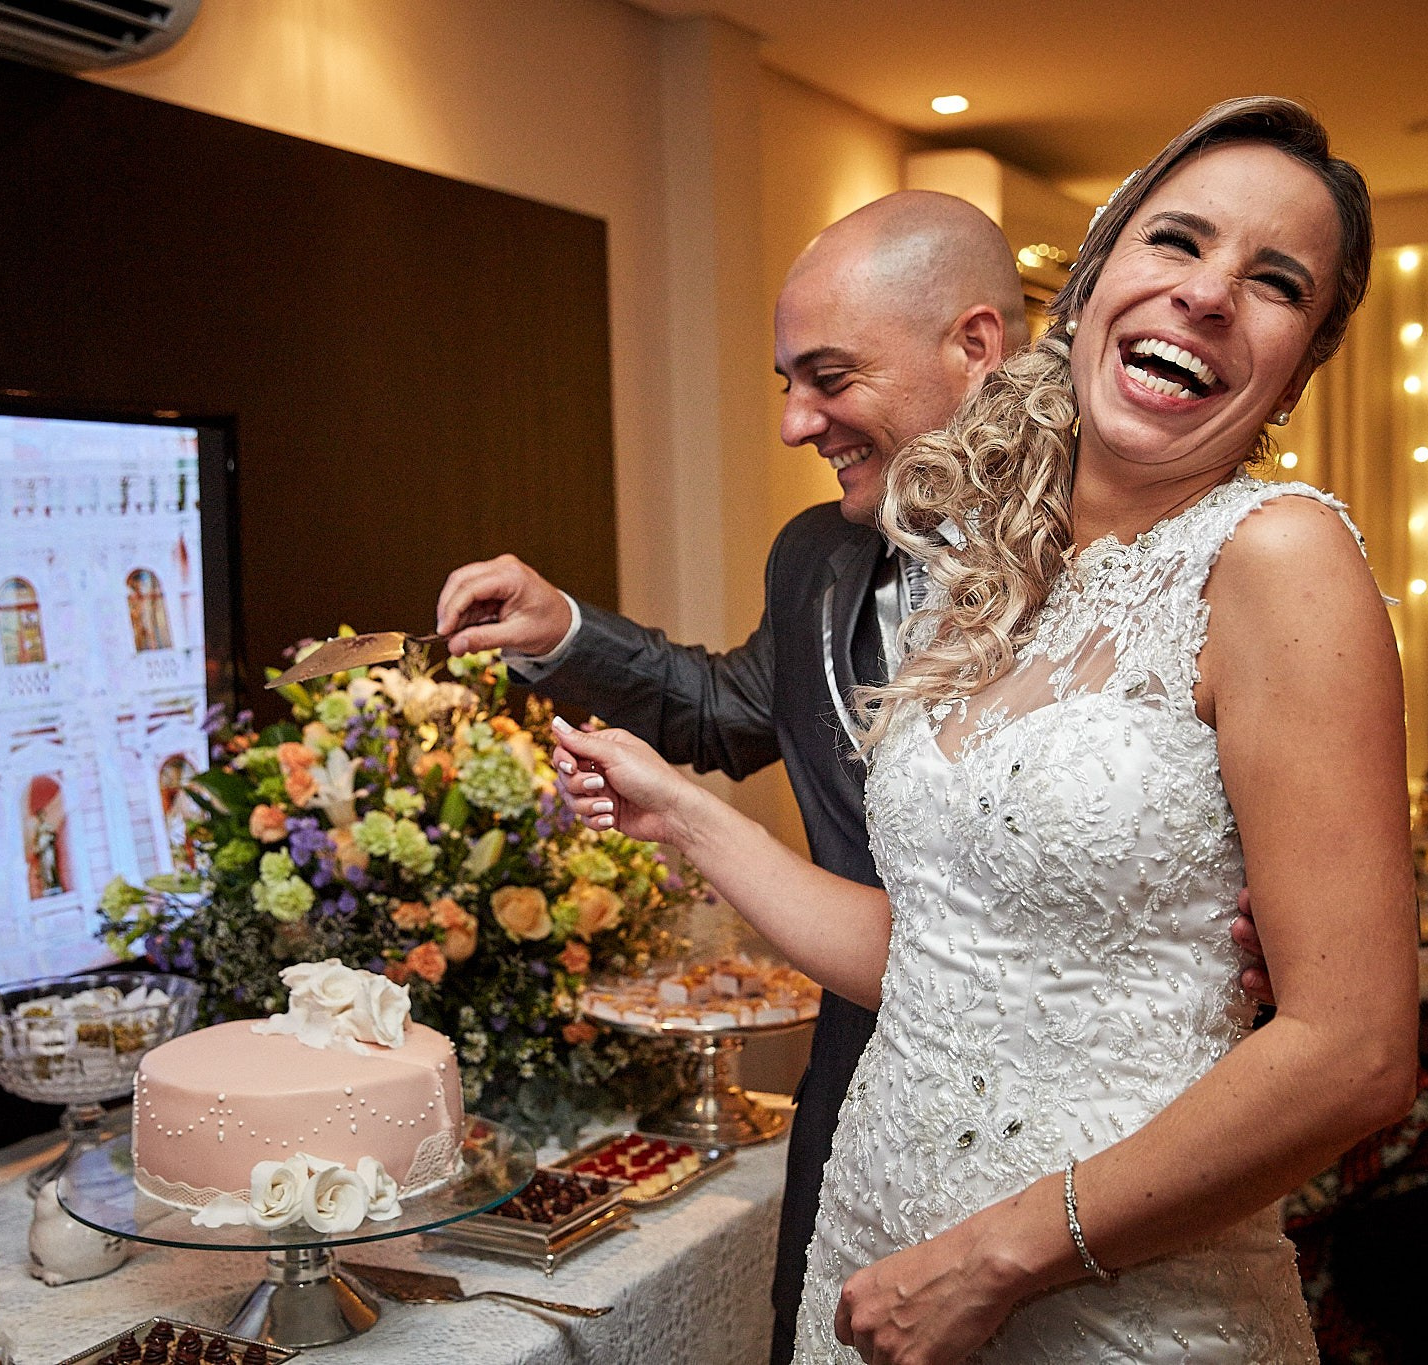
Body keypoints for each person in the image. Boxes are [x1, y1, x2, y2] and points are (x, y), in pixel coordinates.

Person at [546, 96, 1416, 1362]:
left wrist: (992, 1259)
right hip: (874, 1236)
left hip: (1096, 1294)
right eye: (1175, 241)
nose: (1209, 294)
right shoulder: (991, 570)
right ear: (1096, 273)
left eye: (1274, 281)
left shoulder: (1275, 557)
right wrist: (676, 815)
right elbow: (941, 958)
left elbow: (1352, 1055)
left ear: (1300, 353)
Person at [437, 189, 1030, 1363]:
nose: (795, 425)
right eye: (785, 385)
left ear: (974, 348)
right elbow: (727, 709)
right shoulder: (814, 557)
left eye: (828, 377)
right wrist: (565, 630)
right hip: (855, 1093)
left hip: (1053, 1127)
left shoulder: (1120, 559)